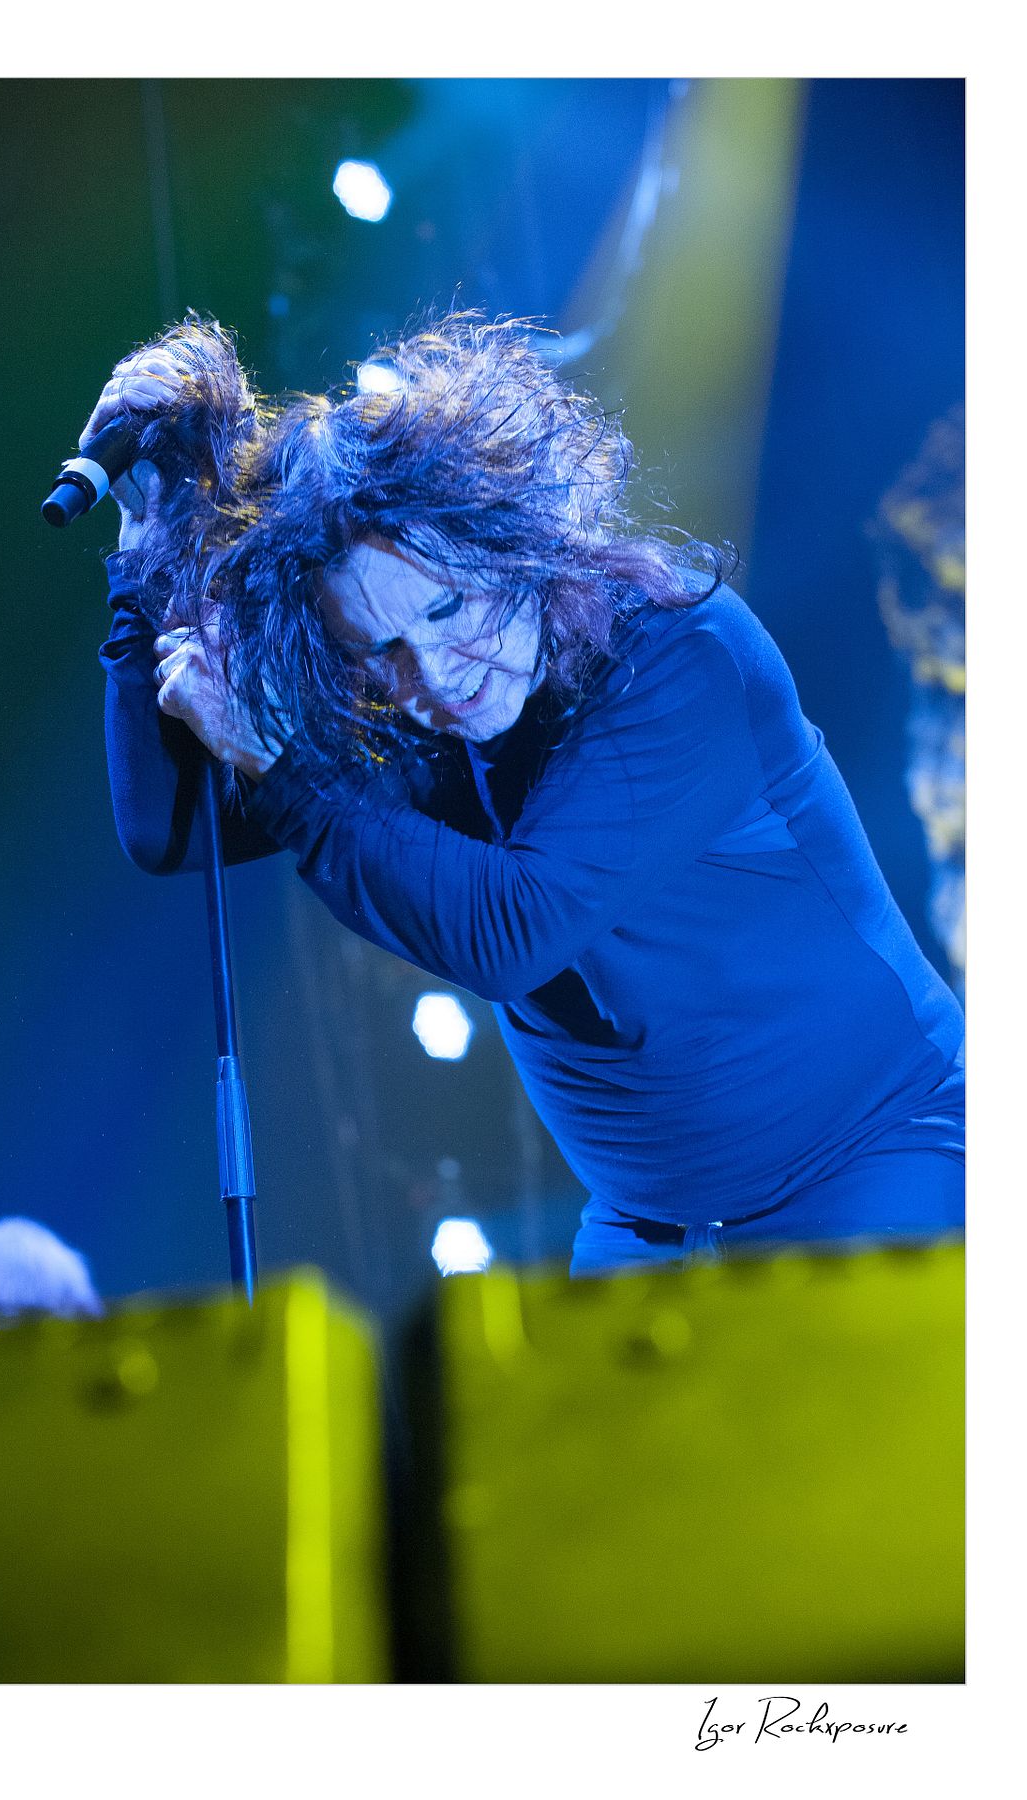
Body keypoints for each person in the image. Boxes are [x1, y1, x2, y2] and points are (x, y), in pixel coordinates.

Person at [89, 314, 964, 1274]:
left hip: (876, 1157)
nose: (434, 674)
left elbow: (513, 931)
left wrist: (287, 770)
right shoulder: (409, 714)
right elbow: (169, 831)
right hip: (650, 1224)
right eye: (378, 650)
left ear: (511, 546)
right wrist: (141, 569)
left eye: (445, 608)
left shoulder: (680, 654)